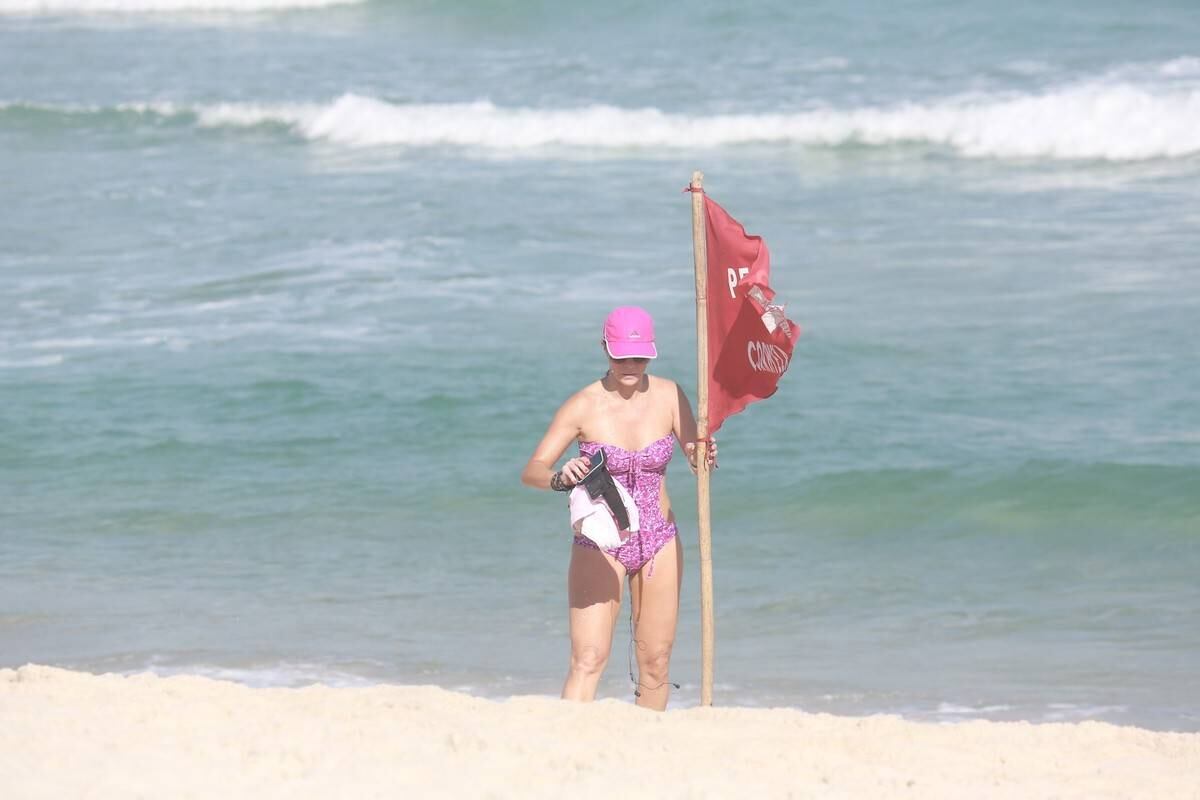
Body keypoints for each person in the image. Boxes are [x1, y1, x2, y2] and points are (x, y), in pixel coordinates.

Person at [521, 306, 715, 710]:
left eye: (640, 357)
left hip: (659, 539)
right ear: (605, 349)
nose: (630, 366)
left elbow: (695, 456)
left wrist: (703, 453)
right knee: (588, 658)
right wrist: (560, 477)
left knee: (656, 662)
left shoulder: (669, 395)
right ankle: (567, 737)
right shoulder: (582, 405)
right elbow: (533, 470)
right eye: (621, 356)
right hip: (600, 541)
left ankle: (646, 740)